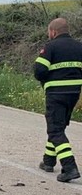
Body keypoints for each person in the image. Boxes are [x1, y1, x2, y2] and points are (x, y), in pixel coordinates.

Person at [34, 17, 82, 182]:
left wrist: (46, 80)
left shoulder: (51, 47)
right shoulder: (79, 47)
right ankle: (48, 161)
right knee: (59, 127)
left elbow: (39, 70)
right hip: (73, 94)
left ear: (53, 32)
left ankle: (70, 167)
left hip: (56, 94)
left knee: (55, 130)